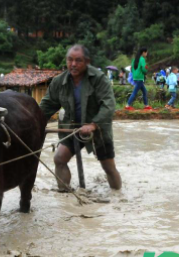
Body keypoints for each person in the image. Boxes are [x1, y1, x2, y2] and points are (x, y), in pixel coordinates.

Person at [39, 44, 122, 191]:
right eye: (70, 60)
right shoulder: (59, 82)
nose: (73, 64)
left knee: (108, 166)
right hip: (71, 129)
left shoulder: (99, 79)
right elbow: (46, 106)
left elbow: (108, 105)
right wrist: (34, 122)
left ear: (87, 62)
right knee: (59, 158)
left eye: (78, 60)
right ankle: (65, 195)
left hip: (98, 129)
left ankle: (118, 197)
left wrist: (93, 125)